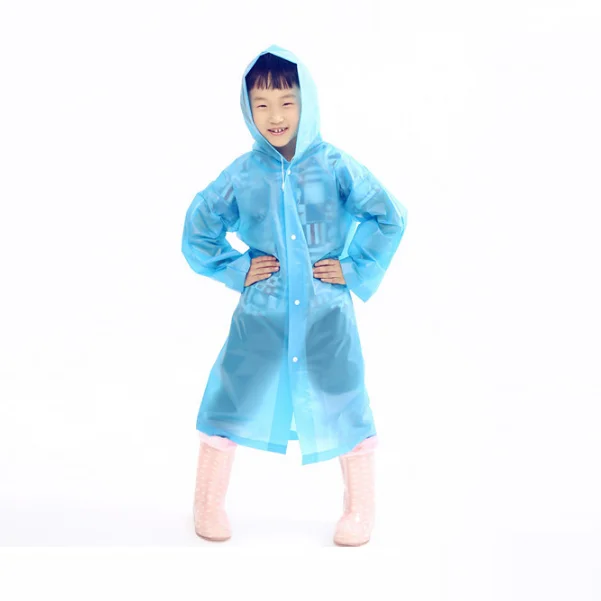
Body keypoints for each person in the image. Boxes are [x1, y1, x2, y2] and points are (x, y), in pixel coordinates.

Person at [182, 45, 408, 546]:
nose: (275, 115)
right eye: (261, 104)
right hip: (261, 312)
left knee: (345, 399)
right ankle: (207, 504)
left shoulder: (335, 165)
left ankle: (360, 510)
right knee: (229, 398)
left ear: (308, 102)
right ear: (247, 109)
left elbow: (389, 215)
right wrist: (237, 267)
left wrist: (355, 267)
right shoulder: (242, 174)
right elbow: (199, 227)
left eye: (287, 101)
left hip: (327, 313)